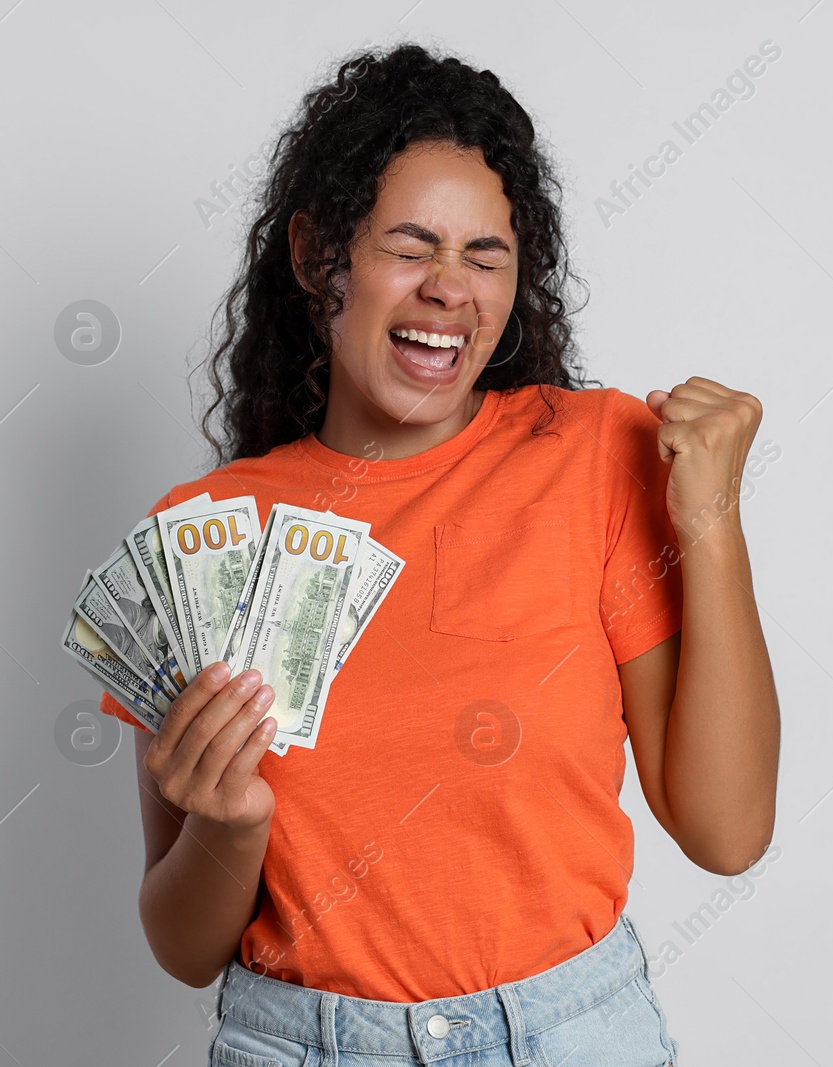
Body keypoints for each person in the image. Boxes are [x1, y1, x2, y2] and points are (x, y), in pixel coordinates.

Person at [98, 42, 780, 1067]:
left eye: (485, 254)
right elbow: (184, 946)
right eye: (409, 247)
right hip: (300, 1042)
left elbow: (725, 832)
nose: (448, 289)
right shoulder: (209, 536)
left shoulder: (595, 456)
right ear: (316, 254)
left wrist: (714, 520)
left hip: (573, 1034)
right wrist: (230, 827)